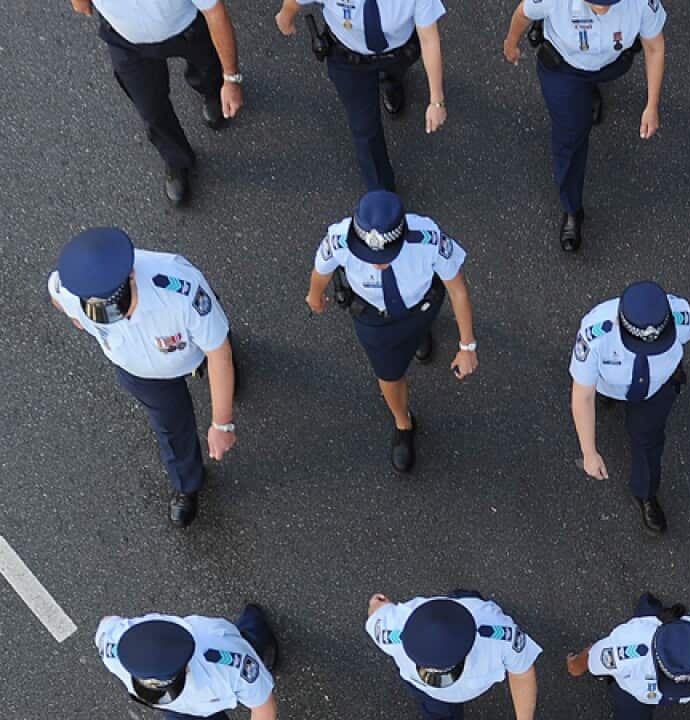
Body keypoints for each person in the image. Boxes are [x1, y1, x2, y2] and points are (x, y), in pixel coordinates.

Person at [48, 228, 237, 527]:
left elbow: (219, 353)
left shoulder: (181, 290)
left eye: (119, 307)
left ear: (132, 276)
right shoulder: (72, 288)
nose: (118, 317)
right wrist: (75, 318)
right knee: (171, 430)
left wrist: (221, 423)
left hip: (194, 352)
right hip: (142, 374)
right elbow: (56, 295)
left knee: (223, 362)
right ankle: (187, 485)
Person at [306, 190, 477, 473]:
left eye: (387, 254)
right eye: (369, 255)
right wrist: (315, 296)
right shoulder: (339, 239)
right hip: (375, 319)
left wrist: (467, 347)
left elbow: (457, 290)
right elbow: (321, 271)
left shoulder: (428, 238)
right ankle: (403, 421)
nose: (378, 263)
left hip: (421, 307)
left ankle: (418, 337)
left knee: (420, 328)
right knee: (389, 374)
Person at [502, 0, 666, 251]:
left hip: (611, 62)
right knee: (569, 140)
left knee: (606, 72)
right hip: (565, 70)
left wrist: (652, 105)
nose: (603, 10)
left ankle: (589, 92)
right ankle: (572, 209)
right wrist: (511, 43)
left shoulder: (641, 3)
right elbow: (523, 12)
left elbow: (654, 47)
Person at [69, 0, 244, 206]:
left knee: (208, 65)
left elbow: (214, 12)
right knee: (151, 109)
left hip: (187, 29)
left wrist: (230, 80)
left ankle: (213, 90)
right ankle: (177, 160)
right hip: (125, 41)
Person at [570, 281, 690, 534]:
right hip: (610, 385)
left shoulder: (681, 315)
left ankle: (646, 493)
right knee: (602, 397)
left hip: (657, 387)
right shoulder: (595, 335)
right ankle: (610, 400)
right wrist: (589, 452)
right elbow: (582, 395)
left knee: (648, 442)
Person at [276, 0, 448, 191]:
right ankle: (382, 192)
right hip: (348, 60)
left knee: (396, 72)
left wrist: (436, 101)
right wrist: (286, 17)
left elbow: (429, 39)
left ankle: (391, 81)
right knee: (364, 129)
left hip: (398, 53)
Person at [567, 592, 690, 718]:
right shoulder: (624, 651)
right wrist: (574, 666)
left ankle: (650, 606)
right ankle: (648, 604)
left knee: (650, 612)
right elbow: (591, 657)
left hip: (642, 682)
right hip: (632, 693)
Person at [365, 591, 540, 719]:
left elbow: (523, 672)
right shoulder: (391, 631)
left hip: (472, 608)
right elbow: (378, 614)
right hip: (431, 694)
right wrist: (379, 606)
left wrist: (378, 604)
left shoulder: (500, 635)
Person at [95, 606, 279, 719]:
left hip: (226, 653)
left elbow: (262, 706)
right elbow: (107, 623)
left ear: (186, 666)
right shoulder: (113, 648)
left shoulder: (228, 661)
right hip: (180, 710)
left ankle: (255, 625)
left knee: (253, 641)